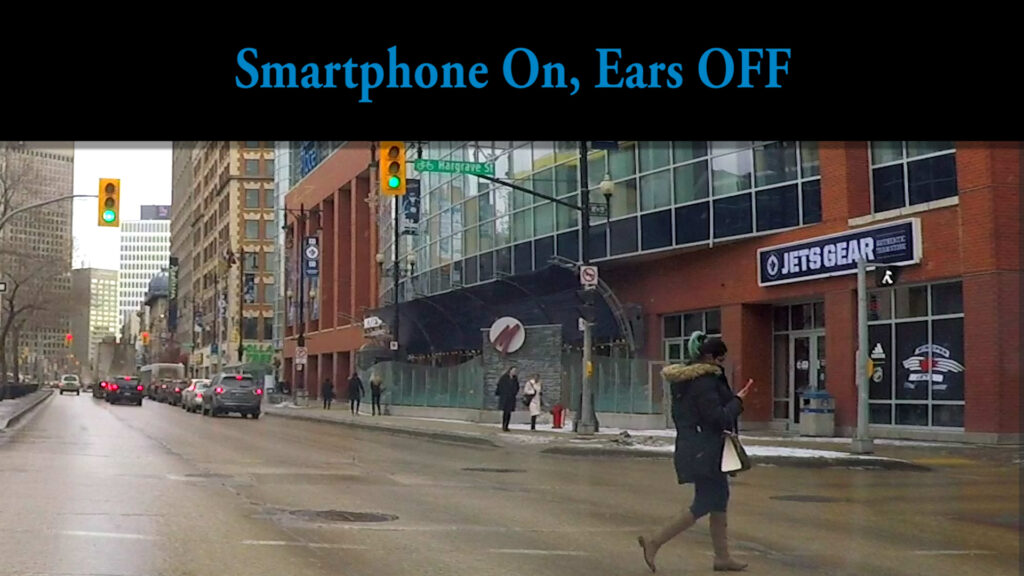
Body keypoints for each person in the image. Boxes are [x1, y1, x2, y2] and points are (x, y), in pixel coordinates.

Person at [637, 332, 753, 573]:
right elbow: (717, 417)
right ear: (710, 358)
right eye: (721, 359)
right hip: (705, 449)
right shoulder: (704, 383)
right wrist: (737, 401)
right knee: (706, 502)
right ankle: (654, 541)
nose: (722, 364)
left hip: (700, 447)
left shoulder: (689, 380)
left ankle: (722, 557)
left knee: (719, 500)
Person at [495, 366, 519, 432]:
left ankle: (507, 425)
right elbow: (500, 386)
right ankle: (504, 425)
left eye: (515, 371)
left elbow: (517, 387)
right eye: (513, 370)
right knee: (505, 412)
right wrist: (502, 393)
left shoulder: (515, 378)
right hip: (505, 397)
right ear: (510, 370)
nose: (514, 372)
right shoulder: (504, 377)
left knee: (509, 412)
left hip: (511, 397)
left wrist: (514, 393)